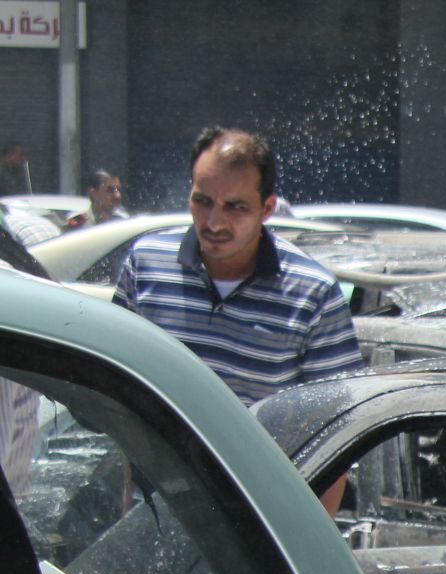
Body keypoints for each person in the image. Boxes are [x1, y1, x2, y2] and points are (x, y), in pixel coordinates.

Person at [112, 127, 361, 408]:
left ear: (267, 209)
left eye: (235, 207)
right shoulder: (145, 265)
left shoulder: (314, 294)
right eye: (202, 202)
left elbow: (335, 419)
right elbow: (107, 386)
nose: (215, 222)